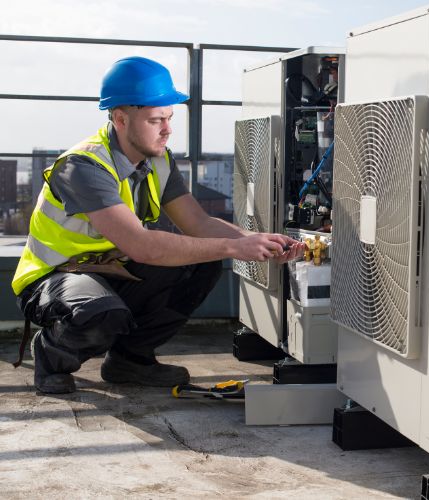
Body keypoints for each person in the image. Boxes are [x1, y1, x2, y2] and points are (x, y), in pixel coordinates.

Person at [12, 56, 303, 394]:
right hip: (56, 277)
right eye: (156, 120)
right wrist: (236, 246)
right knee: (101, 314)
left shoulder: (158, 160)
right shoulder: (83, 167)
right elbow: (142, 245)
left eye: (169, 118)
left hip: (111, 271)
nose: (167, 129)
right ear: (121, 119)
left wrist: (259, 241)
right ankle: (51, 355)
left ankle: (130, 360)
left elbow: (198, 222)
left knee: (202, 263)